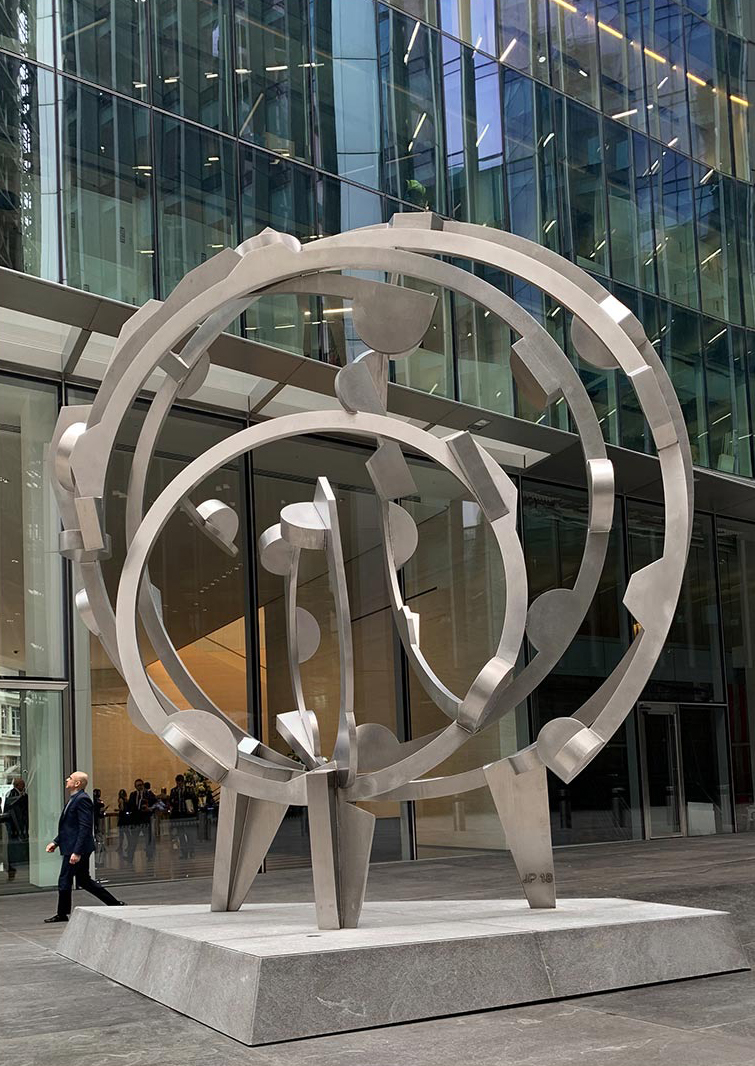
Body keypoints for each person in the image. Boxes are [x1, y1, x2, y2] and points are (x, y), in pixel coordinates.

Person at [43, 770, 124, 923]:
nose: (67, 779)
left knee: (65, 879)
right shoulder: (74, 799)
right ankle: (114, 903)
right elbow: (69, 828)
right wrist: (56, 842)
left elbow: (84, 827)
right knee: (84, 880)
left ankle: (62, 913)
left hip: (75, 848)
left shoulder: (82, 800)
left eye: (71, 778)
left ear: (77, 783)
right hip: (72, 846)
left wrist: (77, 852)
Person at [125, 778, 156, 867]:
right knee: (133, 840)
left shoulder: (148, 794)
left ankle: (149, 856)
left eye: (141, 785)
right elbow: (130, 807)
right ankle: (130, 857)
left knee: (148, 839)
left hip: (146, 820)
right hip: (136, 820)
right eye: (138, 785)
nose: (140, 787)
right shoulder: (133, 795)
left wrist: (150, 809)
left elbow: (156, 803)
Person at [5, 777, 29, 881]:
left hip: (21, 826)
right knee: (13, 847)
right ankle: (12, 870)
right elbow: (13, 810)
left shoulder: (22, 795)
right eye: (22, 784)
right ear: (17, 785)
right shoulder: (12, 795)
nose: (23, 786)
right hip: (14, 827)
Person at [169, 774, 197, 859]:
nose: (179, 784)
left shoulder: (189, 790)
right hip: (178, 815)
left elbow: (194, 800)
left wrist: (193, 810)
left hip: (187, 815)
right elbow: (171, 802)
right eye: (178, 782)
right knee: (181, 835)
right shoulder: (173, 791)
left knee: (189, 834)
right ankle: (184, 852)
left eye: (181, 782)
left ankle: (191, 851)